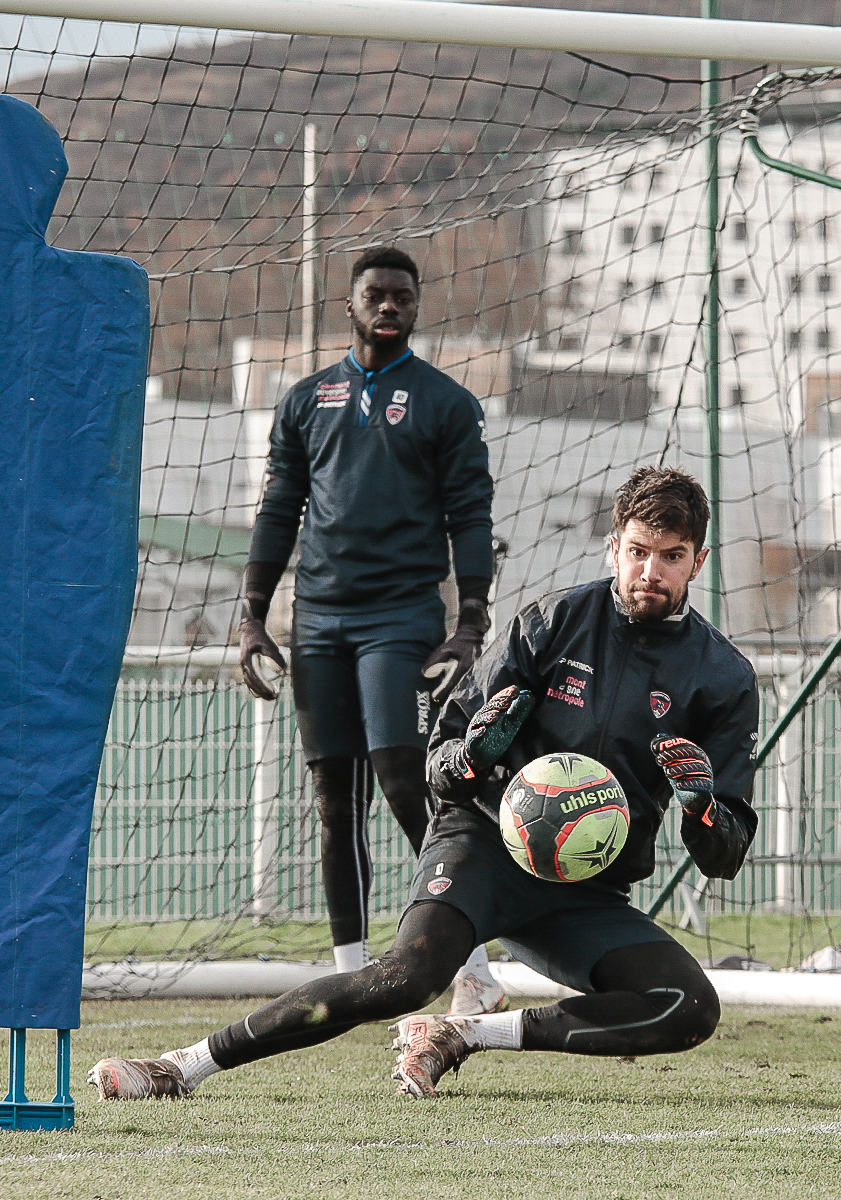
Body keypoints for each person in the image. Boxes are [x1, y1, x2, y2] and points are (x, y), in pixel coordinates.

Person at [89, 465, 760, 1101]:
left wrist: (702, 807)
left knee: (689, 1008)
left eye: (671, 556)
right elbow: (441, 762)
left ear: (697, 561)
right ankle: (181, 1066)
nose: (651, 572)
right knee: (408, 977)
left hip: (585, 888)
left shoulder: (722, 678)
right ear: (614, 548)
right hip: (484, 846)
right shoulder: (550, 624)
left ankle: (464, 1033)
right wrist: (473, 755)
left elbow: (726, 855)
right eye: (638, 552)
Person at [236, 246, 503, 1010]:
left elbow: (470, 517)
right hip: (318, 621)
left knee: (405, 783)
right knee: (334, 800)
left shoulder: (448, 403)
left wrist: (470, 623)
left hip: (401, 618)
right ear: (349, 304)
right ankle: (349, 974)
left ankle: (472, 966)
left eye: (401, 297)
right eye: (376, 295)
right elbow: (278, 510)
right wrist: (252, 614)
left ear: (416, 306)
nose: (388, 306)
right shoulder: (304, 400)